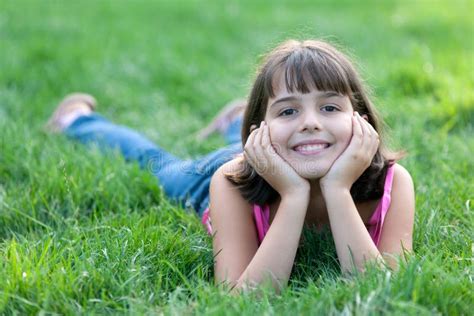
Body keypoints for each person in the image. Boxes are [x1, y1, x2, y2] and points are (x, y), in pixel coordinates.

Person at [47, 39, 415, 293]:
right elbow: (244, 301)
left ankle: (234, 119)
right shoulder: (230, 182)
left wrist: (336, 189)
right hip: (239, 171)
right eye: (288, 110)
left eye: (330, 107)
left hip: (274, 151)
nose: (310, 122)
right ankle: (76, 120)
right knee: (161, 168)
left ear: (361, 119)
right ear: (260, 130)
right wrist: (292, 194)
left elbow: (382, 292)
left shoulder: (393, 184)